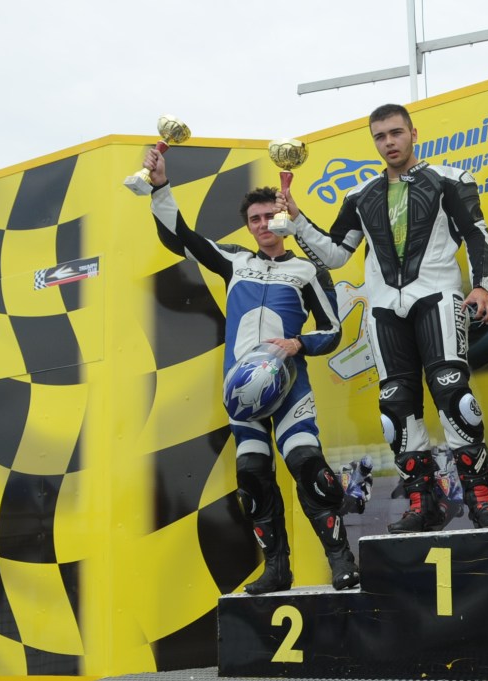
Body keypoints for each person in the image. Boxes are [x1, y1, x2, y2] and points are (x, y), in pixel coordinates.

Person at [274, 103, 488, 533]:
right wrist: (298, 221)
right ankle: (422, 503)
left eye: (396, 133)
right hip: (384, 310)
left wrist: (482, 286)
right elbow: (336, 254)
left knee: (454, 395)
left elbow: (477, 233)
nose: (389, 142)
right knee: (395, 409)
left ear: (413, 133)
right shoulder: (360, 195)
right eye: (380, 136)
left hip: (437, 297)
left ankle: (480, 499)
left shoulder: (451, 179)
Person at [141, 149, 360, 593]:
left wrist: (299, 343)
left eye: (269, 216)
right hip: (242, 393)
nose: (263, 225)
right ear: (248, 226)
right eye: (255, 219)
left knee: (308, 467)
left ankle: (341, 561)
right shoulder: (235, 262)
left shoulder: (307, 270)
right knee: (253, 480)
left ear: (283, 218)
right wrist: (160, 186)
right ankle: (277, 570)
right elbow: (179, 237)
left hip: (290, 388)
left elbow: (333, 331)